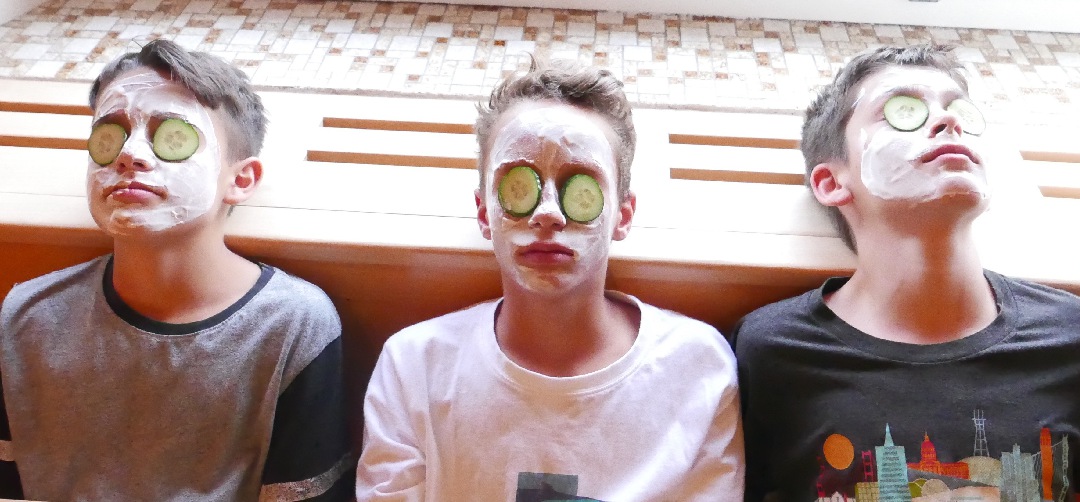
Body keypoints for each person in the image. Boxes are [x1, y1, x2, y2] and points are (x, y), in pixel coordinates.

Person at [732, 45, 1080, 502]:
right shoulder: (771, 351)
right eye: (903, 111)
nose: (947, 121)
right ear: (831, 182)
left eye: (960, 110)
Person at [357, 58, 744, 501]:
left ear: (623, 215)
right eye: (519, 187)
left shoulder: (698, 370)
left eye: (580, 187)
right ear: (484, 213)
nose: (547, 213)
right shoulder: (413, 369)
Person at [0, 39, 353, 501]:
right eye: (110, 136)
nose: (129, 154)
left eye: (172, 137)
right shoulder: (25, 317)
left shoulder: (294, 325)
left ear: (240, 180)